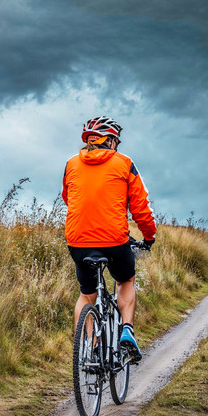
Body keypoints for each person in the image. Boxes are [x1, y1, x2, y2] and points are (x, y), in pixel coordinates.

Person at [62, 116, 156, 360]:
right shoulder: (124, 163)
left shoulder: (71, 164)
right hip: (115, 240)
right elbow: (141, 208)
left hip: (78, 240)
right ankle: (127, 329)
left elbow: (68, 198)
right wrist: (148, 237)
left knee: (86, 294)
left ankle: (89, 347)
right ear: (112, 141)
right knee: (126, 280)